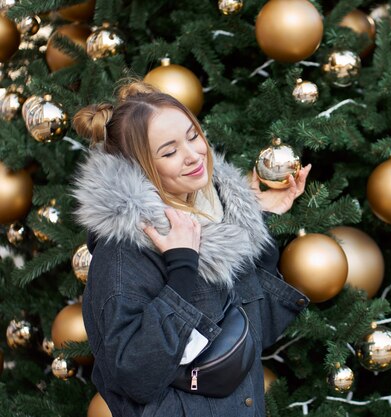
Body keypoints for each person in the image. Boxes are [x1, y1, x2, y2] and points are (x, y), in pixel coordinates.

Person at [72, 81, 312, 417]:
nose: (193, 155)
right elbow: (138, 377)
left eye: (193, 136)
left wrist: (256, 222)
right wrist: (182, 267)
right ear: (139, 169)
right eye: (169, 152)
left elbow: (257, 334)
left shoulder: (216, 214)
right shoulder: (123, 255)